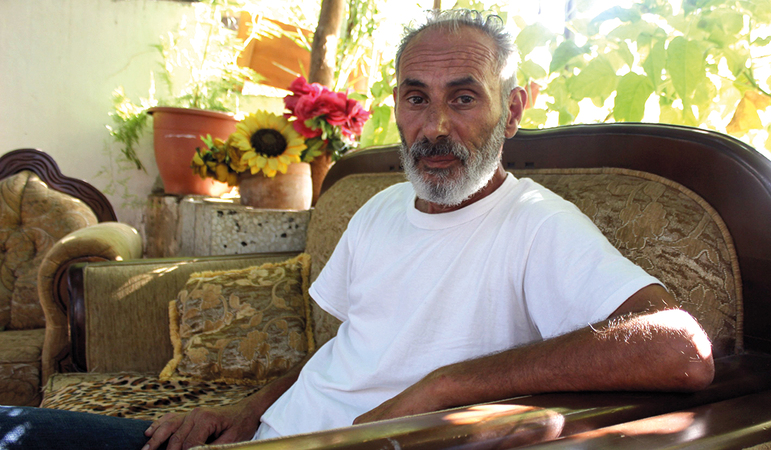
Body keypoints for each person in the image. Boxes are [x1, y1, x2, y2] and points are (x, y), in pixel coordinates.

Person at [0, 9, 714, 450]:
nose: (434, 127)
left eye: (465, 98)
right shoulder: (378, 209)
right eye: (416, 98)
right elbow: (347, 348)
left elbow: (682, 350)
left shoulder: (534, 224)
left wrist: (444, 386)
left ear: (515, 109)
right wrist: (242, 411)